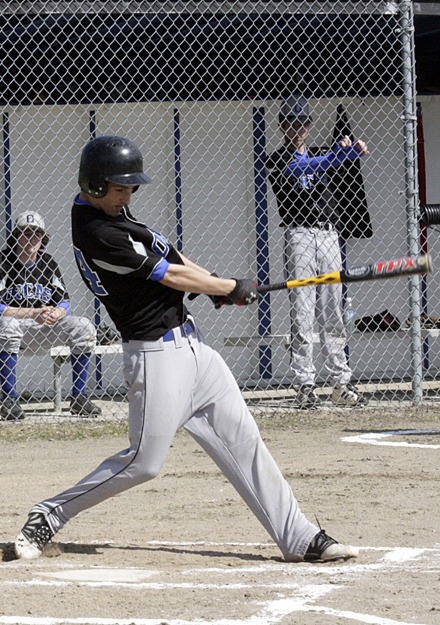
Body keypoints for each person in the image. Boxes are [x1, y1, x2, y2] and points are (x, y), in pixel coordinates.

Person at [14, 135, 359, 564]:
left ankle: (300, 537)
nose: (128, 194)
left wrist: (216, 283)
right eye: (119, 187)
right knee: (143, 462)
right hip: (156, 358)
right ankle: (50, 513)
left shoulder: (109, 209)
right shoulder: (97, 231)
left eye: (130, 187)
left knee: (245, 439)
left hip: (194, 349)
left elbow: (173, 257)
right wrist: (228, 287)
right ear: (95, 186)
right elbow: (168, 276)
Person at [266, 94, 369, 409]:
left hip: (328, 233)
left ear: (309, 126)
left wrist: (353, 148)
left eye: (303, 122)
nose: (298, 128)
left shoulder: (324, 153)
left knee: (333, 309)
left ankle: (340, 382)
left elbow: (334, 159)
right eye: (291, 123)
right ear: (283, 126)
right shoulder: (276, 159)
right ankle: (305, 384)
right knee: (303, 309)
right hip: (298, 234)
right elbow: (304, 167)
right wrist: (339, 154)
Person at [0, 211, 101, 420]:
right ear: (16, 236)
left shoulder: (48, 263)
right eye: (25, 233)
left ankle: (79, 398)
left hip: (44, 327)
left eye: (36, 233)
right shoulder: (3, 262)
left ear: (43, 238)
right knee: (7, 324)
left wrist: (57, 312)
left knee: (83, 326)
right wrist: (32, 313)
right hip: (13, 328)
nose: (31, 238)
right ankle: (8, 399)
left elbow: (64, 301)